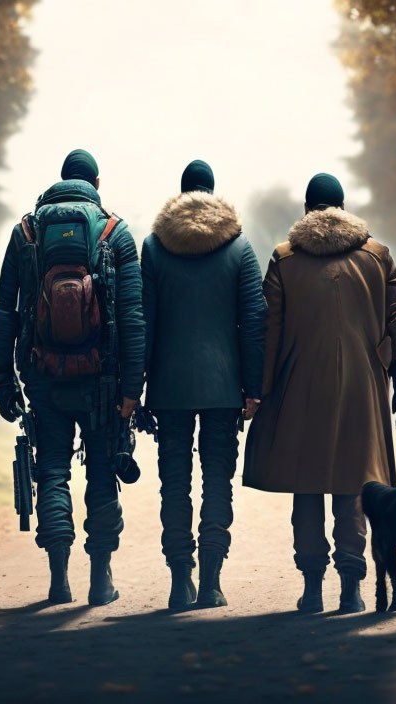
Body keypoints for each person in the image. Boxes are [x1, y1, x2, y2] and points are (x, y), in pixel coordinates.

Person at [243, 173, 396, 614]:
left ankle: (312, 587)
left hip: (301, 387)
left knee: (308, 486)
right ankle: (353, 587)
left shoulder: (284, 260)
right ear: (342, 208)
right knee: (355, 486)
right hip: (364, 388)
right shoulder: (377, 256)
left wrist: (258, 392)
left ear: (307, 211)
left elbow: (269, 333)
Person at [0, 149, 144, 605]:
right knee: (101, 472)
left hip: (43, 376)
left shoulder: (27, 233)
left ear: (60, 181)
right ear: (96, 181)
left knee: (52, 471)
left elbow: (7, 313)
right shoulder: (116, 233)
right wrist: (133, 389)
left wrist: (3, 379)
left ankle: (59, 579)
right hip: (103, 381)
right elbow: (133, 319)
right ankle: (101, 579)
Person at [141, 160, 266, 609]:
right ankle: (212, 582)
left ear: (181, 196)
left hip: (169, 390)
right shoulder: (240, 248)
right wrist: (254, 387)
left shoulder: (154, 249)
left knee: (174, 482)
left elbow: (143, 324)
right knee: (217, 480)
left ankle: (180, 581)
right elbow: (254, 322)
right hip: (223, 387)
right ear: (213, 195)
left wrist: (135, 388)